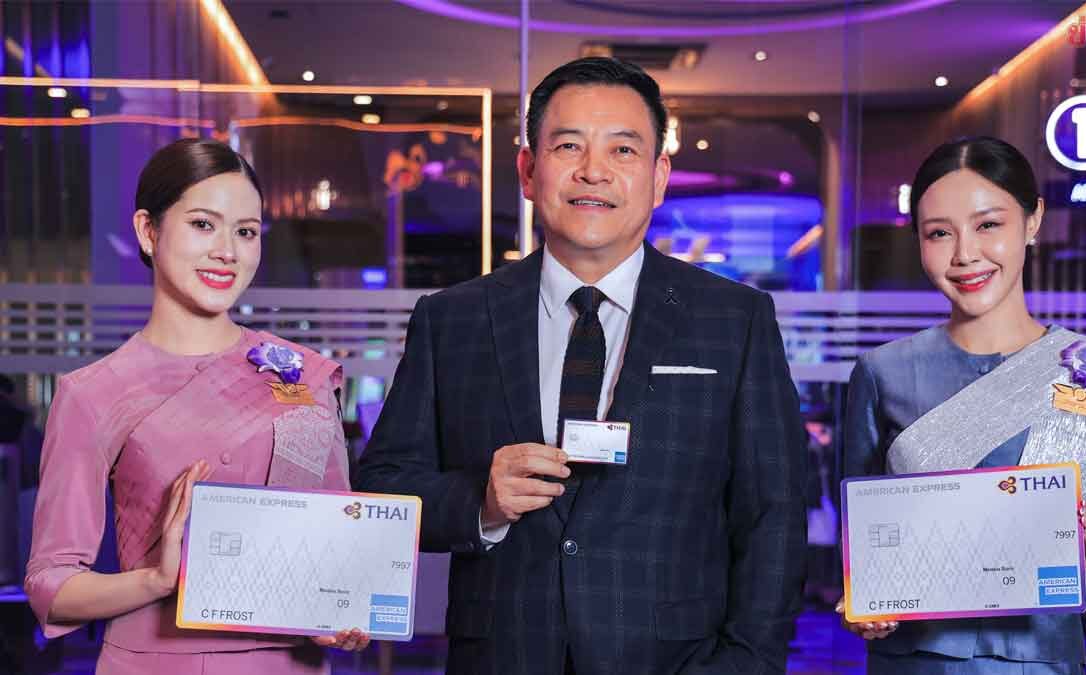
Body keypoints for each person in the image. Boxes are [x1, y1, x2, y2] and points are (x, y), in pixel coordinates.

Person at [355, 57, 808, 675]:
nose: (593, 170)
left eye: (623, 149)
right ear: (528, 170)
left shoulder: (735, 319)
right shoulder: (453, 318)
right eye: (568, 145)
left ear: (658, 177)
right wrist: (481, 501)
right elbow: (384, 489)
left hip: (676, 661)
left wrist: (746, 664)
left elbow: (773, 514)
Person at [24, 138, 369, 675]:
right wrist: (156, 580)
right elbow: (52, 585)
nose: (227, 251)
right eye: (203, 225)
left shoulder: (301, 375)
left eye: (246, 232)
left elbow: (334, 539)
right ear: (148, 230)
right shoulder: (93, 392)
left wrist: (339, 612)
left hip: (290, 665)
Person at [838, 136, 1086, 674]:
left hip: (1041, 660)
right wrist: (862, 602)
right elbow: (861, 533)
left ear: (1032, 220)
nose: (965, 254)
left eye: (988, 224)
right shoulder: (883, 372)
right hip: (915, 661)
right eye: (939, 233)